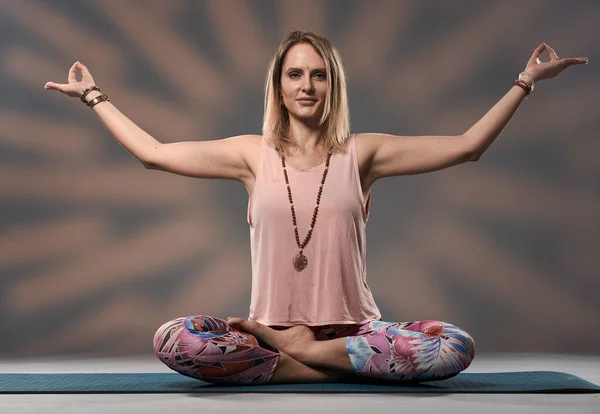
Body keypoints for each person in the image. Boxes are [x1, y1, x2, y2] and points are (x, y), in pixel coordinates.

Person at [44, 31, 588, 385]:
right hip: (267, 330)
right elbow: (153, 155)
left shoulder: (364, 152)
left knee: (454, 348)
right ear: (278, 87)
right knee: (174, 340)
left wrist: (525, 83)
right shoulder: (248, 155)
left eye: (319, 74)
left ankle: (297, 360)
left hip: (354, 333)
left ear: (333, 85)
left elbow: (467, 145)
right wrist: (95, 96)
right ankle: (318, 362)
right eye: (295, 74)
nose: (307, 85)